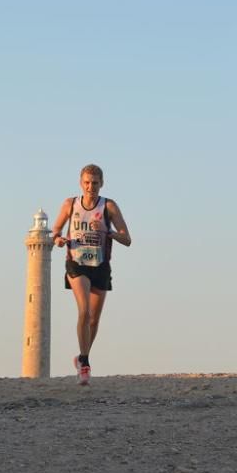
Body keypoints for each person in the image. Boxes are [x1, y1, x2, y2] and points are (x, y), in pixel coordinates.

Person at [51, 164, 132, 385]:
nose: (90, 187)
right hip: (76, 263)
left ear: (101, 183)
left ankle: (81, 356)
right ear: (80, 183)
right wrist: (58, 239)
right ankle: (85, 364)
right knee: (84, 311)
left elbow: (127, 239)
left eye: (95, 183)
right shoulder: (70, 204)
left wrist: (107, 231)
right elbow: (55, 231)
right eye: (87, 183)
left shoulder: (109, 207)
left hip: (100, 265)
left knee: (94, 319)